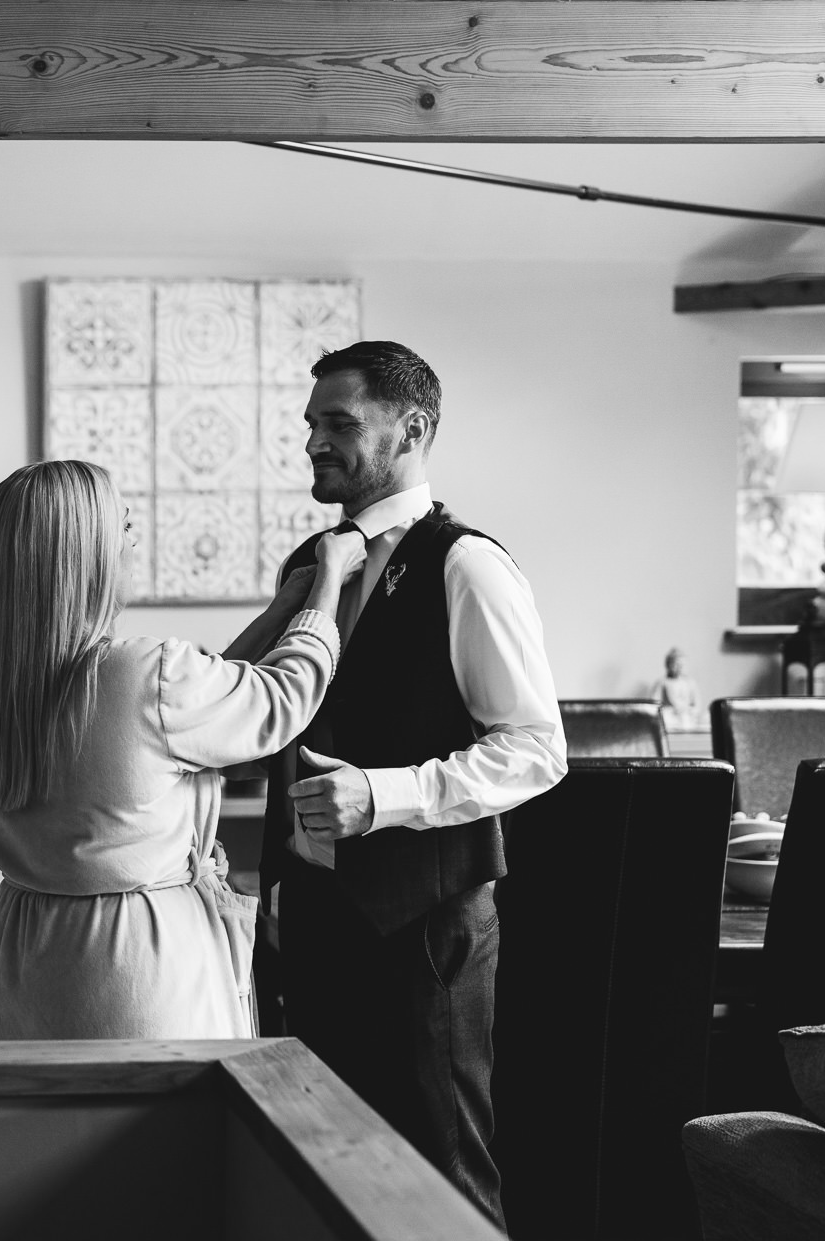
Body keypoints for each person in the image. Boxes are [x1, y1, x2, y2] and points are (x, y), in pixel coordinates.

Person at [260, 340, 566, 1228]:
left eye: (339, 423)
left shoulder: (469, 565)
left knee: (442, 1173)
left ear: (413, 428)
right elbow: (287, 723)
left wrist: (382, 797)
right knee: (322, 1163)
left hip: (424, 927)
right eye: (312, 423)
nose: (315, 441)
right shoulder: (309, 566)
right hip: (310, 918)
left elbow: (536, 749)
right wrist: (279, 878)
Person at [0, 458, 365, 1040]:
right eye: (123, 525)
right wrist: (328, 580)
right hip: (133, 963)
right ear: (86, 554)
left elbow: (196, 703)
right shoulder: (143, 673)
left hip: (28, 955)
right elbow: (279, 699)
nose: (135, 540)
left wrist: (280, 613)